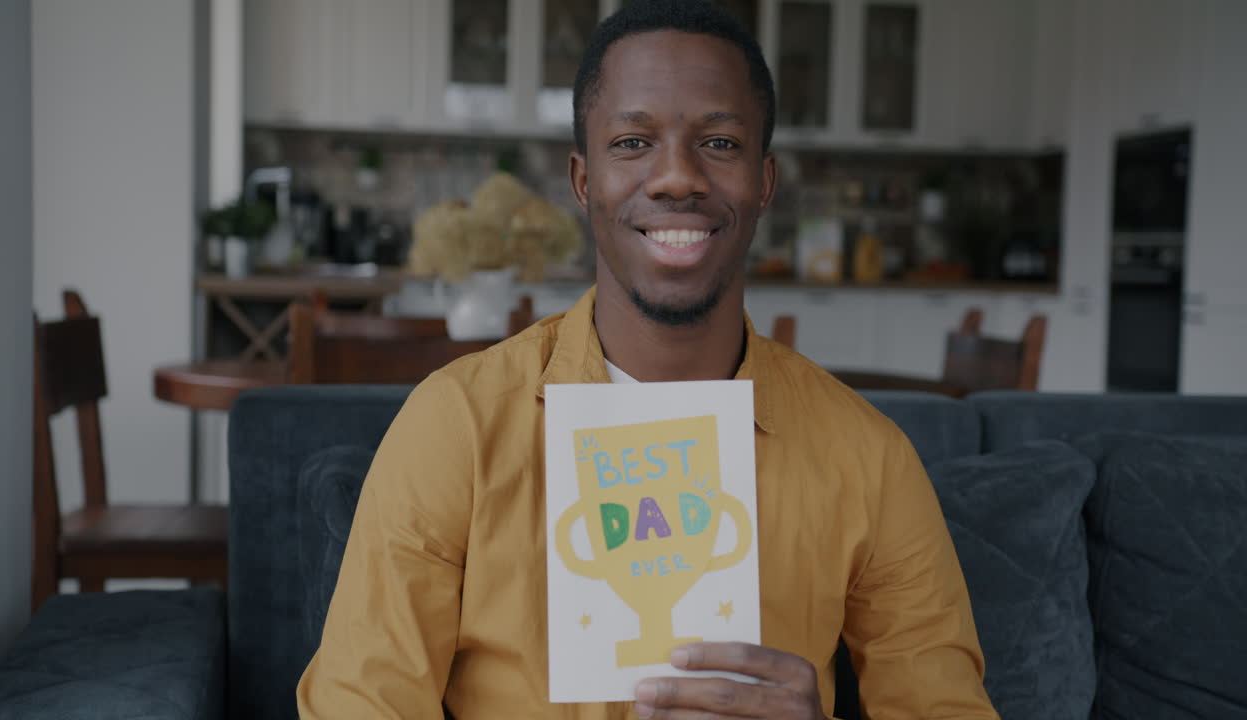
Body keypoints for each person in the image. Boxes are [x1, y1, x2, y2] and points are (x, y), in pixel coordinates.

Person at [297, 1, 999, 718]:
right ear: (582, 181)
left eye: (720, 143)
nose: (676, 178)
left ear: (764, 181)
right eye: (633, 143)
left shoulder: (870, 462)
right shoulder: (457, 428)